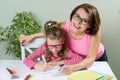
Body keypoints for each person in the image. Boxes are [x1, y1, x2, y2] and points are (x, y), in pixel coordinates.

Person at [20, 3, 107, 74]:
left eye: (84, 21)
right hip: (74, 60)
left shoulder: (95, 31)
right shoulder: (64, 25)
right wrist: (32, 36)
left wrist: (72, 68)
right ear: (72, 15)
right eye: (77, 16)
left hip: (95, 61)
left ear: (90, 25)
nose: (78, 22)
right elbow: (51, 32)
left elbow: (90, 59)